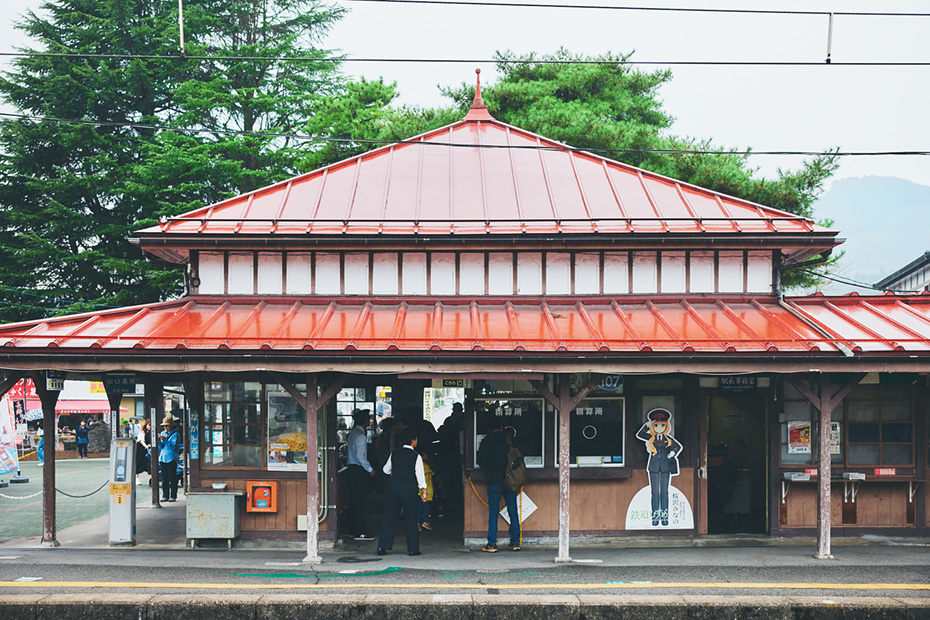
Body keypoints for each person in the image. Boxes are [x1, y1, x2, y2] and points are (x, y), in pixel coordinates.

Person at [376, 427, 427, 556]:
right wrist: (424, 492)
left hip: (394, 489)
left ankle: (382, 546)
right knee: (411, 518)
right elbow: (420, 477)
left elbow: (386, 470)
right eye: (416, 439)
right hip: (410, 490)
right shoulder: (416, 456)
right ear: (413, 440)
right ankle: (412, 549)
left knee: (390, 517)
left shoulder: (394, 453)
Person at [476, 417, 520, 552]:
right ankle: (514, 542)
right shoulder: (508, 441)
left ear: (489, 429)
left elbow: (481, 462)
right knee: (513, 510)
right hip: (509, 479)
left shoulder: (485, 442)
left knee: (494, 511)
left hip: (493, 480)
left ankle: (492, 543)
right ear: (502, 428)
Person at [635, 408, 683, 527]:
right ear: (653, 426)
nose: (659, 427)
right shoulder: (651, 438)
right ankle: (655, 518)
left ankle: (665, 518)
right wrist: (647, 425)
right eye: (656, 425)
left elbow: (678, 447)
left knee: (664, 493)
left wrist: (673, 453)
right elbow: (639, 434)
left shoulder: (668, 439)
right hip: (654, 467)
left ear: (666, 426)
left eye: (662, 425)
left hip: (666, 466)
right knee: (655, 492)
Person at [344, 408, 376, 541]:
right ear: (364, 421)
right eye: (368, 419)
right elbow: (360, 457)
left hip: (351, 469)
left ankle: (352, 530)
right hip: (358, 470)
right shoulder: (361, 436)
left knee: (352, 501)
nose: (370, 421)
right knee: (359, 502)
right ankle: (360, 532)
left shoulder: (352, 433)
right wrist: (370, 469)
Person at [158, 413, 182, 502]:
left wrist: (166, 440)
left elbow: (173, 446)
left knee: (172, 478)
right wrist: (159, 441)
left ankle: (173, 495)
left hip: (171, 458)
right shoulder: (162, 433)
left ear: (171, 426)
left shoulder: (175, 435)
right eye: (164, 426)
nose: (165, 428)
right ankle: (165, 495)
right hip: (163, 458)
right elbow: (161, 447)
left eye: (167, 426)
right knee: (165, 479)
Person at [418, 452, 435, 531]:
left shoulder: (421, 466)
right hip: (423, 491)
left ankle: (424, 521)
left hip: (422, 490)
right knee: (421, 506)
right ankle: (422, 522)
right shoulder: (423, 466)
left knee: (423, 506)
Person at [136, 420, 152, 484]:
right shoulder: (142, 431)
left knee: (149, 463)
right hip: (140, 449)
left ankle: (150, 479)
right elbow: (141, 440)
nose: (150, 427)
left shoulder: (153, 432)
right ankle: (136, 478)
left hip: (149, 450)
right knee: (138, 462)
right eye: (149, 425)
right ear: (146, 425)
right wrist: (146, 446)